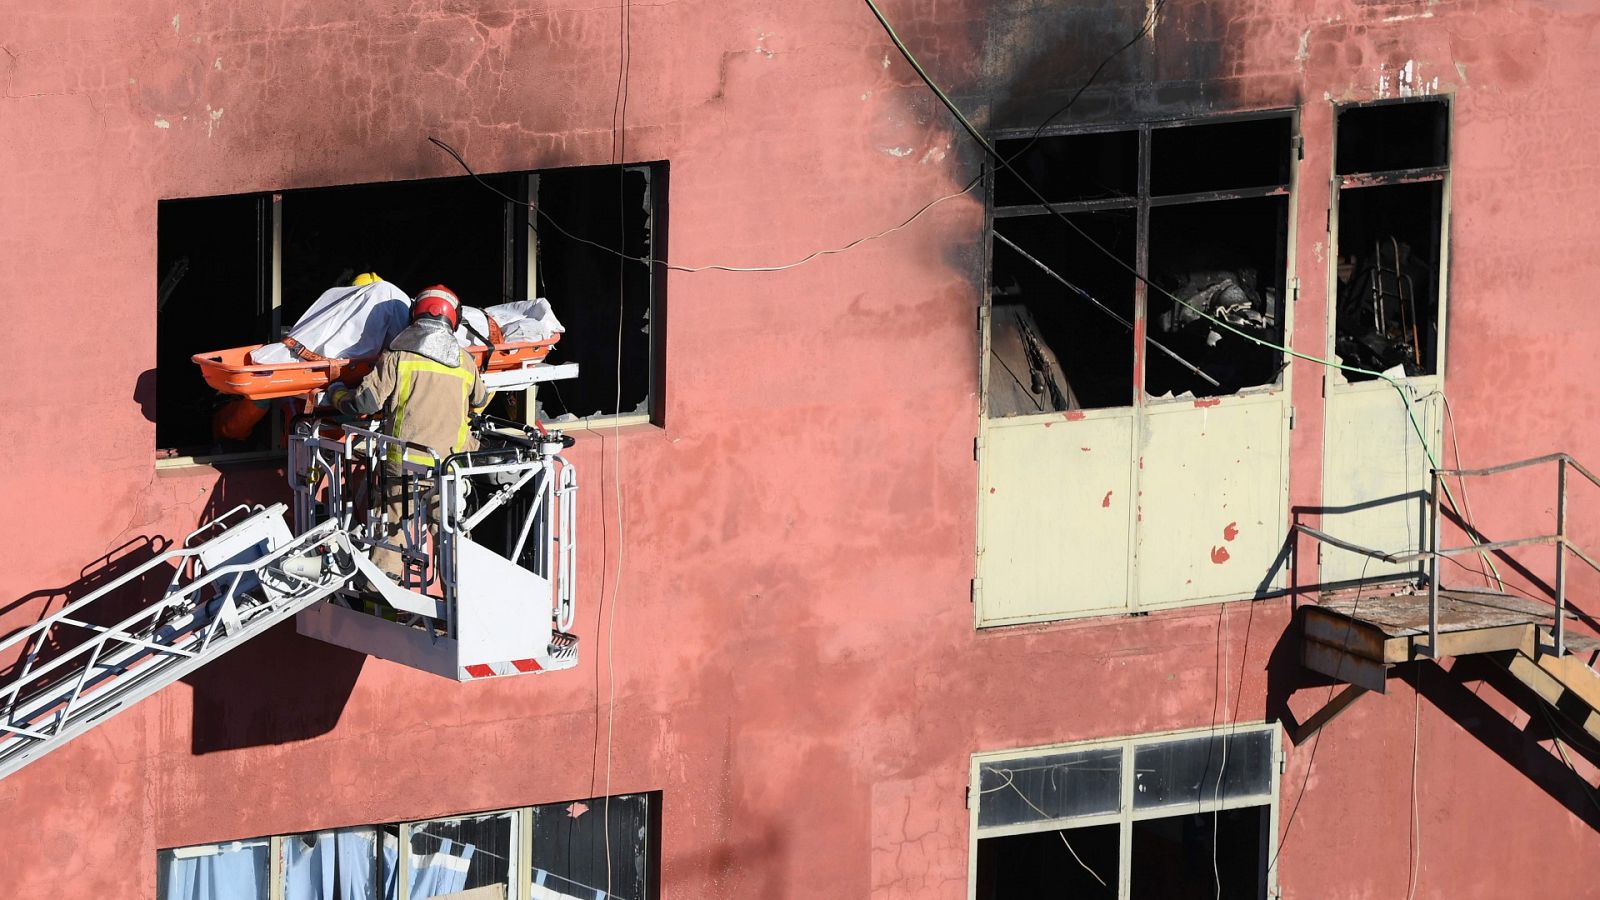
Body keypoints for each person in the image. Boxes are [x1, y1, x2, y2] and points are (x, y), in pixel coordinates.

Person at [328, 284, 488, 582]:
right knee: (450, 533)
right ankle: (459, 594)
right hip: (449, 466)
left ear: (414, 315)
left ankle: (383, 597)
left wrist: (336, 394)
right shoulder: (465, 361)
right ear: (454, 319)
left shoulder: (398, 354)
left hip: (404, 466)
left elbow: (365, 402)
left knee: (392, 534)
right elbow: (480, 400)